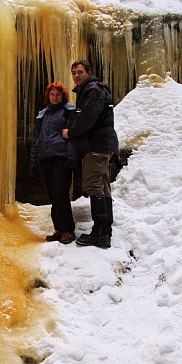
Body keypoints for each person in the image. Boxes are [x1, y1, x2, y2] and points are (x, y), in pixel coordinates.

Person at [62, 60, 118, 249]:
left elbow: (88, 117)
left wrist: (71, 132)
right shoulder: (93, 89)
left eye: (80, 72)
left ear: (89, 72)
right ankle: (105, 232)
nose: (76, 76)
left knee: (92, 185)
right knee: (102, 185)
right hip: (103, 144)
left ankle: (100, 233)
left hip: (97, 145)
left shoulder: (92, 90)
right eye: (74, 73)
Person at [30, 81, 78, 244]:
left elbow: (73, 136)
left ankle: (68, 230)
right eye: (52, 94)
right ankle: (59, 228)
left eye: (58, 94)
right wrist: (34, 160)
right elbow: (37, 139)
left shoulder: (68, 111)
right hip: (46, 157)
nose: (55, 97)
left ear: (63, 96)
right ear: (48, 96)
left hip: (61, 156)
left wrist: (72, 157)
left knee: (59, 192)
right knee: (52, 194)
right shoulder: (43, 115)